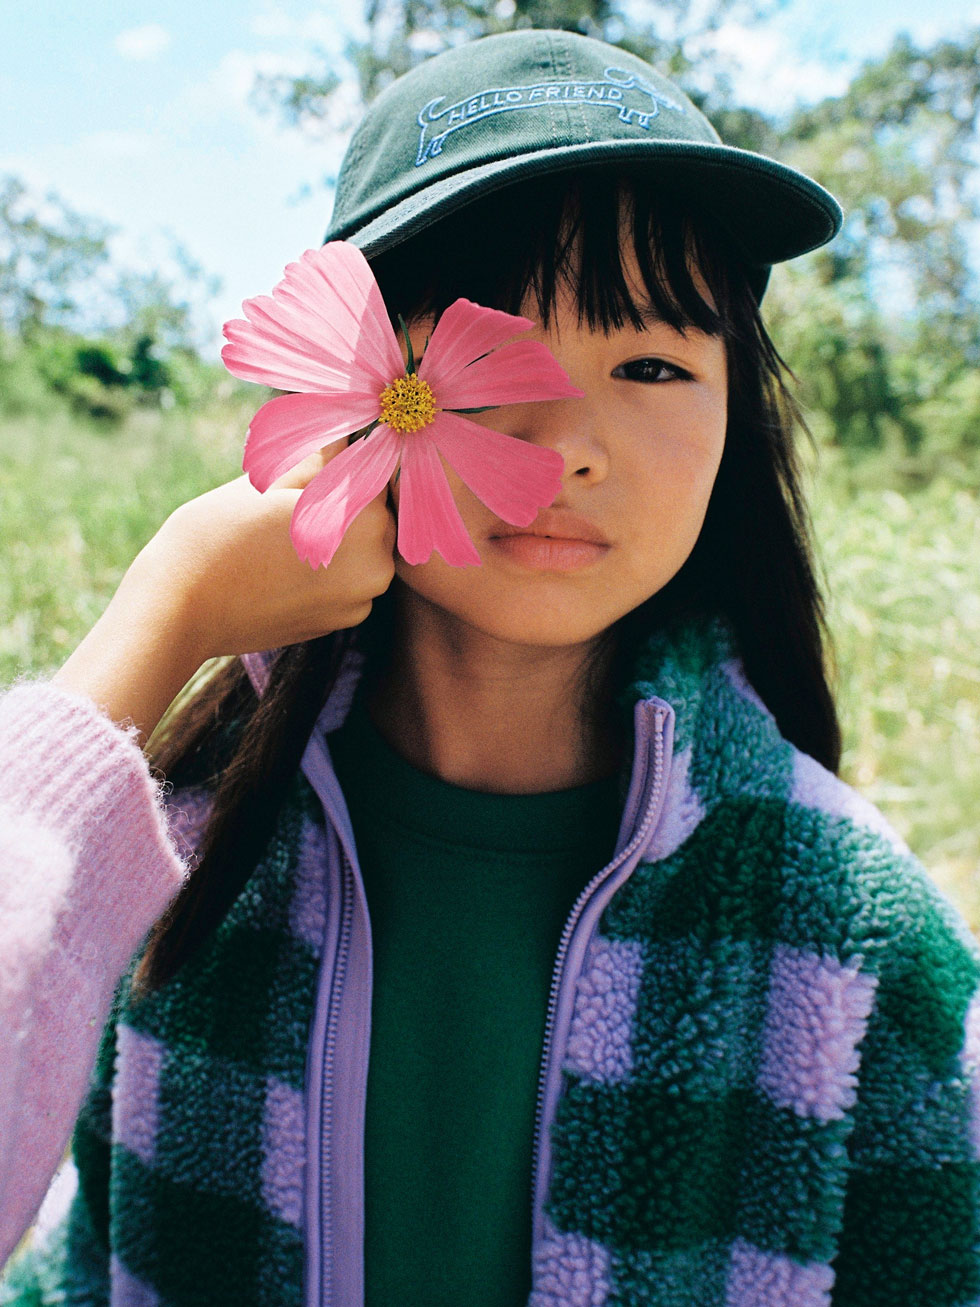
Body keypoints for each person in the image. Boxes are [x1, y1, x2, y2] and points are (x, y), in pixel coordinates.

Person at [2, 26, 979, 1307]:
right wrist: (163, 624)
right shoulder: (166, 867)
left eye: (648, 363)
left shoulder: (854, 928)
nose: (564, 442)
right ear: (346, 385)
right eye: (475, 352)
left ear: (736, 418)